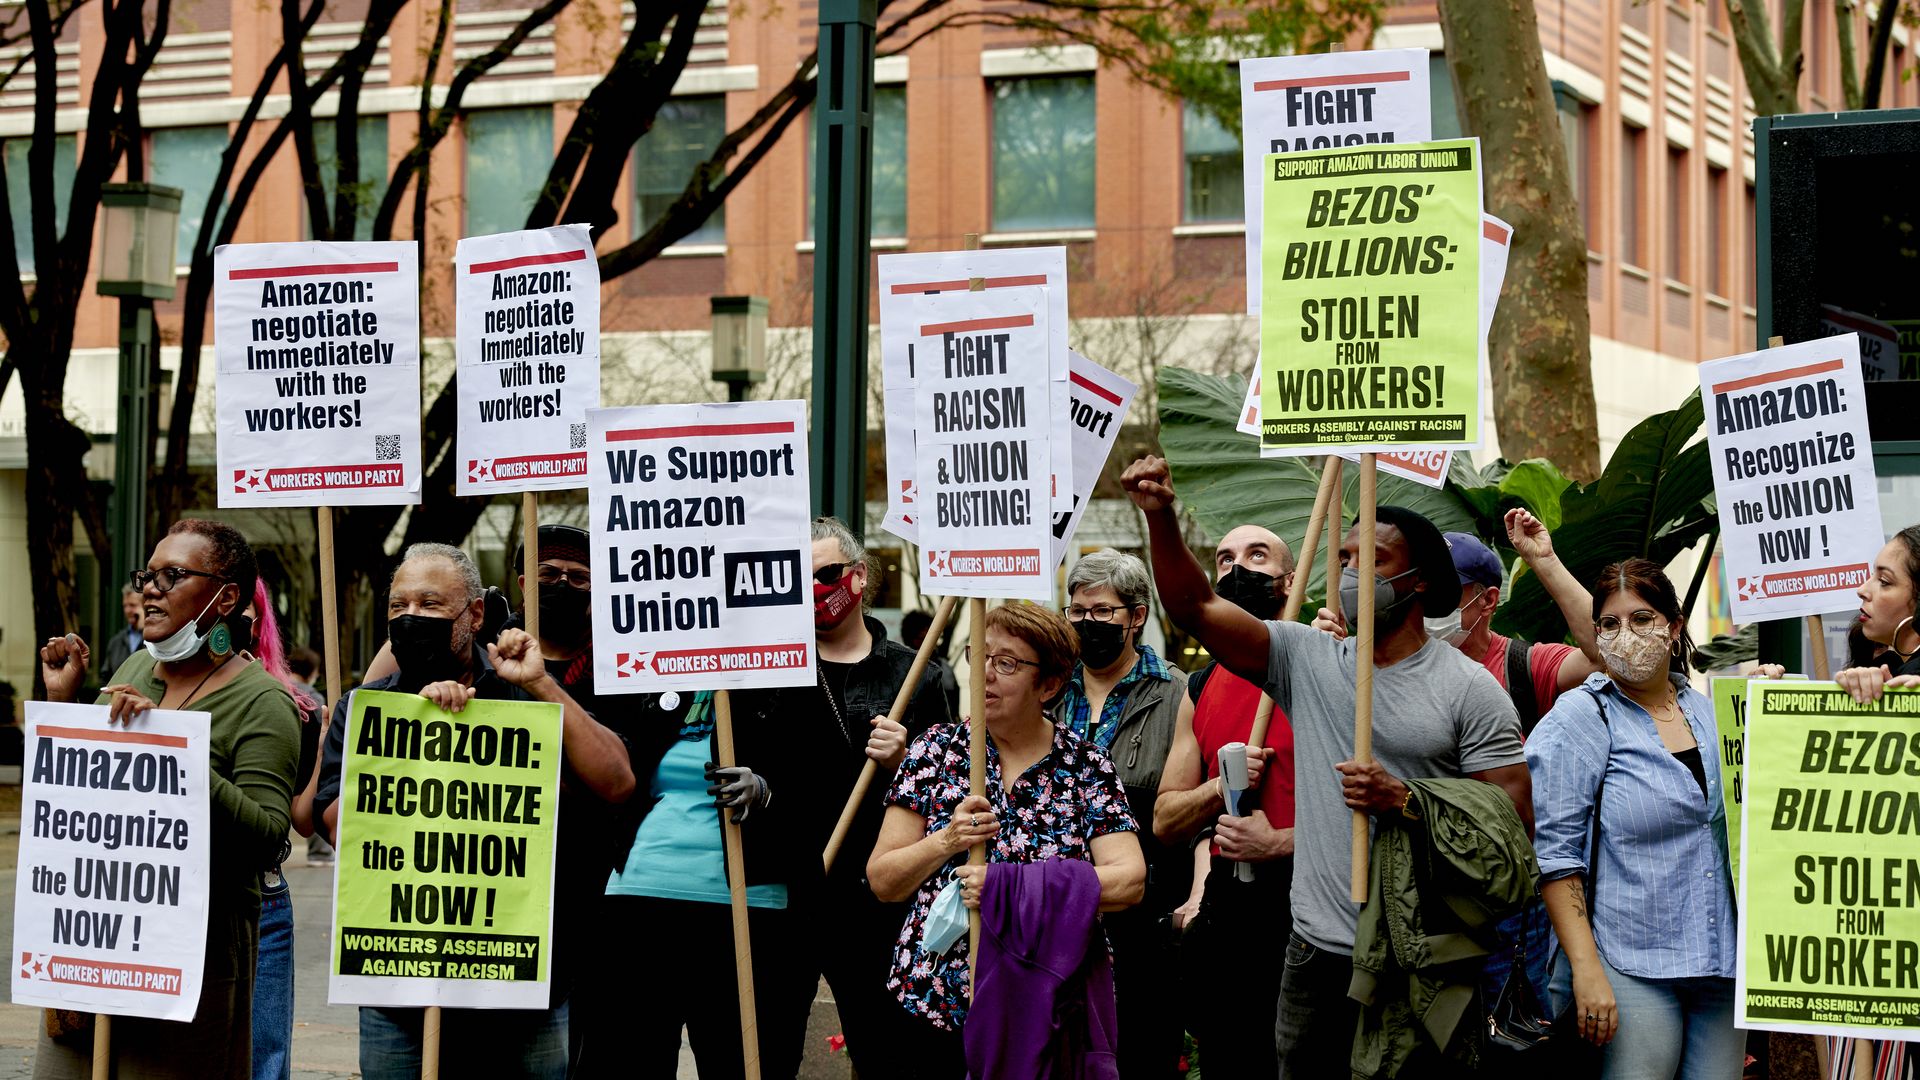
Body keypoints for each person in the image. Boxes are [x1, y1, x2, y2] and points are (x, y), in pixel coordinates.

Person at [1119, 454, 1530, 1079]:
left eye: (1372, 560)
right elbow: (1197, 608)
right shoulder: (1306, 660)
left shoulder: (1470, 692)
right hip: (1313, 955)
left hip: (1417, 964)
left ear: (1419, 580)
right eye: (1341, 561)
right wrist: (1161, 518)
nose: (1349, 573)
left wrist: (1406, 801)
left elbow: (1510, 838)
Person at [577, 517, 947, 1079]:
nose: (816, 590)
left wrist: (907, 763)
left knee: (887, 1054)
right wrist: (765, 788)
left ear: (859, 574)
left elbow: (946, 787)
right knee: (765, 1057)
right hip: (786, 890)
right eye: (801, 579)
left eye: (827, 574)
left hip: (872, 900)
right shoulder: (769, 668)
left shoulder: (915, 675)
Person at [312, 543, 635, 1080]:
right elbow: (339, 826)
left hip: (522, 983)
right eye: (398, 606)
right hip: (400, 989)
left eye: (431, 604)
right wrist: (417, 731)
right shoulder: (366, 708)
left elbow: (617, 781)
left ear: (475, 615)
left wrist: (539, 683)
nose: (412, 617)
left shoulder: (524, 695)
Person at [37, 520, 301, 1080]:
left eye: (172, 576)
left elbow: (266, 838)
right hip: (100, 945)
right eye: (147, 576)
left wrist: (168, 749)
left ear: (226, 597)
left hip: (189, 967)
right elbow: (100, 797)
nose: (149, 589)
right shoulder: (134, 667)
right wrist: (68, 707)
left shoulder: (264, 701)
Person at [867, 603, 1146, 1078]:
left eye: (1008, 663)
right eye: (982, 657)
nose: (987, 675)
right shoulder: (937, 749)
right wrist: (947, 840)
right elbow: (883, 880)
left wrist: (1007, 887)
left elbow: (1129, 881)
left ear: (1051, 684)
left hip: (1041, 1005)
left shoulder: (1085, 766)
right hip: (936, 1001)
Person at [1527, 559, 1740, 1079]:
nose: (1626, 635)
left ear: (1675, 626)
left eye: (1642, 619)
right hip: (1631, 962)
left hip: (1722, 961)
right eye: (1610, 624)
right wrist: (1586, 970)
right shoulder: (1583, 715)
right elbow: (1556, 858)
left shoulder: (1710, 713)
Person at [1154, 524, 1296, 1077]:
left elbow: (1369, 808)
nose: (1237, 568)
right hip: (1229, 910)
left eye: (1256, 555)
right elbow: (1165, 818)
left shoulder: (1331, 663)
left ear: (1289, 581)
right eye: (1225, 558)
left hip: (1311, 907)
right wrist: (1219, 789)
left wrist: (1279, 842)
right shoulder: (1199, 686)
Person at [1050, 548, 1189, 1079]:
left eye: (1103, 611)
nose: (1089, 623)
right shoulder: (1048, 690)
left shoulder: (1177, 693)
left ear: (1137, 616)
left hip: (1141, 920)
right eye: (1078, 611)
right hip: (1056, 911)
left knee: (1137, 1056)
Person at [244, 581, 322, 1080]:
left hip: (262, 897)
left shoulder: (294, 704)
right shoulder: (156, 688)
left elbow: (301, 819)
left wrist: (323, 744)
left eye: (248, 616)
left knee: (263, 1059)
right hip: (180, 897)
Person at [284, 646, 333, 865]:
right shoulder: (313, 697)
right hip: (305, 765)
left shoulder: (272, 687)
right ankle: (320, 854)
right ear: (312, 672)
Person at [902, 607, 961, 721]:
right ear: (912, 639)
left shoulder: (945, 667)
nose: (931, 642)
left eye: (933, 635)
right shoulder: (903, 667)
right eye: (922, 637)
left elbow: (954, 705)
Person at [100, 584, 143, 682]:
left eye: (133, 605)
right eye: (125, 606)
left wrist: (144, 627)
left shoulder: (153, 640)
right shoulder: (116, 642)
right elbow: (105, 678)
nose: (127, 610)